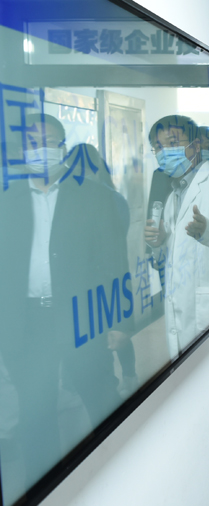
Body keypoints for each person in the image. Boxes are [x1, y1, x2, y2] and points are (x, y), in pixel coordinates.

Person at [0, 114, 129, 498]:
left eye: (49, 141)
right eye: (32, 142)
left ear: (62, 148)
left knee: (100, 397)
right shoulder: (8, 200)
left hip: (81, 315)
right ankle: (44, 491)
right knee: (35, 411)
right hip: (29, 323)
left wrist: (120, 321)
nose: (40, 149)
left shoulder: (93, 196)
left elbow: (114, 261)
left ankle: (124, 473)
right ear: (23, 150)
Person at [144, 115, 209, 358]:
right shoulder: (173, 195)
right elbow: (173, 256)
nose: (164, 152)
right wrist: (159, 242)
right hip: (182, 306)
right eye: (158, 147)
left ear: (195, 146)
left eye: (173, 143)